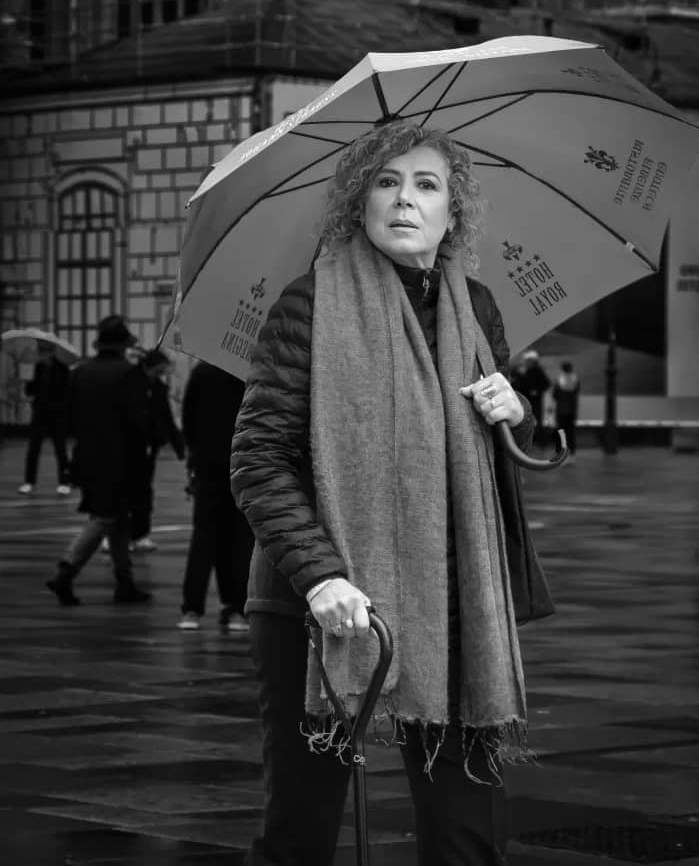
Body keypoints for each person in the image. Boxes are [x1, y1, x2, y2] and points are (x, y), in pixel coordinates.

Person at [231, 120, 539, 866]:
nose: (405, 199)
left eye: (426, 185)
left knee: (468, 837)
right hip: (324, 602)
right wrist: (321, 575)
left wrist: (514, 411)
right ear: (358, 202)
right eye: (386, 181)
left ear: (451, 212)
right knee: (300, 831)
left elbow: (476, 455)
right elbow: (257, 458)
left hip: (450, 597)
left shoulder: (479, 310)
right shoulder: (308, 307)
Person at [45, 314, 151, 607]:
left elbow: (68, 420)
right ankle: (65, 571)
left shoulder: (80, 373)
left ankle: (125, 582)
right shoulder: (129, 374)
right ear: (122, 345)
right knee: (105, 518)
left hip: (88, 457)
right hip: (120, 460)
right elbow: (138, 422)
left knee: (117, 520)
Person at [177, 360, 253, 632]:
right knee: (241, 539)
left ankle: (191, 609)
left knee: (203, 538)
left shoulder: (201, 372)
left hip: (207, 467)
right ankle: (236, 609)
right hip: (243, 466)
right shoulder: (251, 373)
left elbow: (188, 422)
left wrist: (194, 459)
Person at [127, 348, 185, 552]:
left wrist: (179, 448)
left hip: (149, 449)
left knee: (144, 492)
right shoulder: (128, 382)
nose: (162, 374)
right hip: (128, 447)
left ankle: (141, 535)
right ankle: (117, 536)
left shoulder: (158, 387)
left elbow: (167, 418)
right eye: (159, 369)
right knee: (125, 492)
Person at [18, 342, 72, 495]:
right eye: (39, 352)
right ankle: (29, 481)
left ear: (51, 352)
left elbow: (67, 392)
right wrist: (27, 381)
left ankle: (64, 482)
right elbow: (30, 391)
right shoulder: (37, 368)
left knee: (60, 450)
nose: (40, 355)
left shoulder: (62, 368)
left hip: (57, 414)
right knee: (33, 449)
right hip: (40, 413)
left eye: (43, 352)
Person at [511, 349, 550, 446]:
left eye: (529, 361)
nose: (527, 362)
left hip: (535, 401)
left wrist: (537, 390)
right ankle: (526, 442)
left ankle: (542, 443)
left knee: (538, 422)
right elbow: (517, 383)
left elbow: (546, 384)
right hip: (524, 400)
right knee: (524, 421)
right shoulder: (521, 370)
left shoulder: (538, 371)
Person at [552, 359, 581, 459]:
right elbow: (576, 392)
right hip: (572, 409)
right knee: (571, 431)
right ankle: (572, 451)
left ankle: (560, 450)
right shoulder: (575, 380)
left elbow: (555, 395)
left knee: (560, 430)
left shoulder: (559, 380)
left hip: (561, 409)